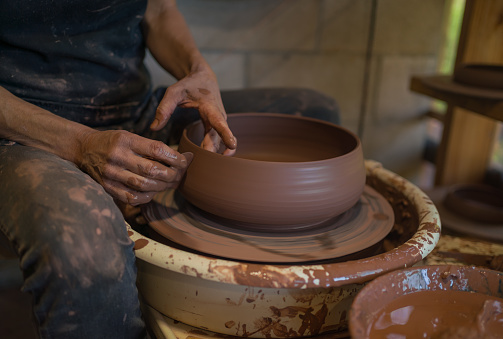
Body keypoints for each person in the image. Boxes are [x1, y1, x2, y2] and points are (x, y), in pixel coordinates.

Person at [0, 0, 339, 338]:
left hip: (132, 110)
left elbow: (158, 9)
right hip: (25, 130)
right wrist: (79, 144)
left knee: (313, 113)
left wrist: (198, 70)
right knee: (85, 249)